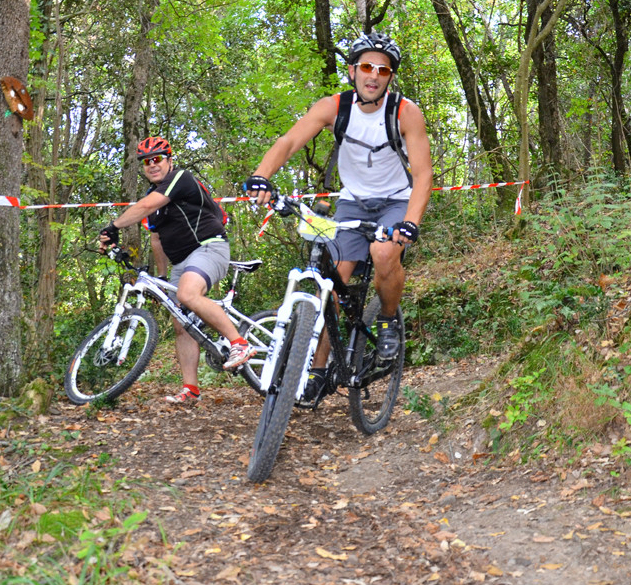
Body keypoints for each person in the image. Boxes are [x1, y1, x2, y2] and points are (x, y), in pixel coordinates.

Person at [244, 31, 432, 404]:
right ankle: (315, 369)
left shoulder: (405, 112)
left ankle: (386, 320)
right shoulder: (333, 107)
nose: (373, 75)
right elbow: (290, 141)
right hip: (352, 203)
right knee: (334, 281)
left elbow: (424, 174)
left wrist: (410, 221)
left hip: (395, 200)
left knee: (382, 254)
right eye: (366, 66)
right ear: (352, 71)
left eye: (383, 69)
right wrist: (262, 175)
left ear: (390, 76)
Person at [99, 136, 254, 404]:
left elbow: (146, 207)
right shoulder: (152, 197)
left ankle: (239, 343)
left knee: (188, 294)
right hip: (181, 263)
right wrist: (160, 278)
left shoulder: (181, 178)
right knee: (182, 325)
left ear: (169, 160)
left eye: (157, 159)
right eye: (147, 162)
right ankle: (191, 389)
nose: (152, 165)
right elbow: (156, 239)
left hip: (209, 248)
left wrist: (113, 227)